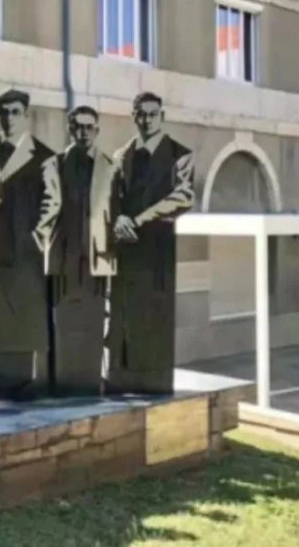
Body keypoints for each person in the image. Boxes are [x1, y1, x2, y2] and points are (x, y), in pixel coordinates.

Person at [108, 92, 195, 394]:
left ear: (162, 116)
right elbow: (110, 198)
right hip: (126, 253)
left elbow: (183, 196)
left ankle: (154, 384)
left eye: (152, 114)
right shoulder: (121, 156)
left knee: (155, 317)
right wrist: (118, 219)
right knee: (125, 319)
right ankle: (122, 381)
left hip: (158, 252)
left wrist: (138, 219)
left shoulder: (180, 155)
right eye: (141, 114)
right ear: (133, 116)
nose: (147, 120)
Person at [0, 89, 60, 401]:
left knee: (21, 311)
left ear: (25, 115)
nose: (9, 118)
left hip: (24, 249)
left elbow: (53, 201)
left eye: (15, 112)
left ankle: (19, 382)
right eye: (3, 112)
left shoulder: (43, 156)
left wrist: (36, 235)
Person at [36, 106, 117, 396]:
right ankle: (62, 386)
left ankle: (90, 384)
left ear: (97, 130)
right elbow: (47, 208)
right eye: (78, 126)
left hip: (96, 260)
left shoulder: (110, 167)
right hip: (64, 258)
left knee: (93, 324)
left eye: (89, 127)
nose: (84, 132)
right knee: (63, 324)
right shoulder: (54, 165)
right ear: (70, 129)